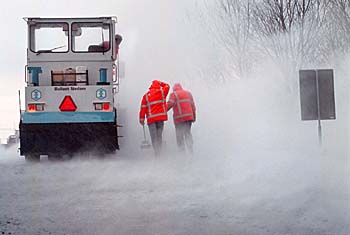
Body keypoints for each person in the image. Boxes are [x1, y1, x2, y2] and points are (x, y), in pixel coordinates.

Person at [139, 80, 170, 156]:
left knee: (154, 136)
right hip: (160, 118)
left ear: (151, 86)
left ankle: (157, 152)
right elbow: (167, 86)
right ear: (158, 85)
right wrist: (161, 83)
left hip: (151, 119)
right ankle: (159, 151)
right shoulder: (162, 92)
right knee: (159, 135)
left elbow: (143, 108)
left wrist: (141, 119)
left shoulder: (146, 96)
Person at [167, 83, 196, 154]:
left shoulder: (174, 94)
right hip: (189, 118)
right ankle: (191, 150)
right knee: (187, 133)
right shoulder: (188, 93)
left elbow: (169, 104)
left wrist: (161, 110)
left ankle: (182, 153)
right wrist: (194, 117)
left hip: (179, 119)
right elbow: (193, 107)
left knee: (179, 136)